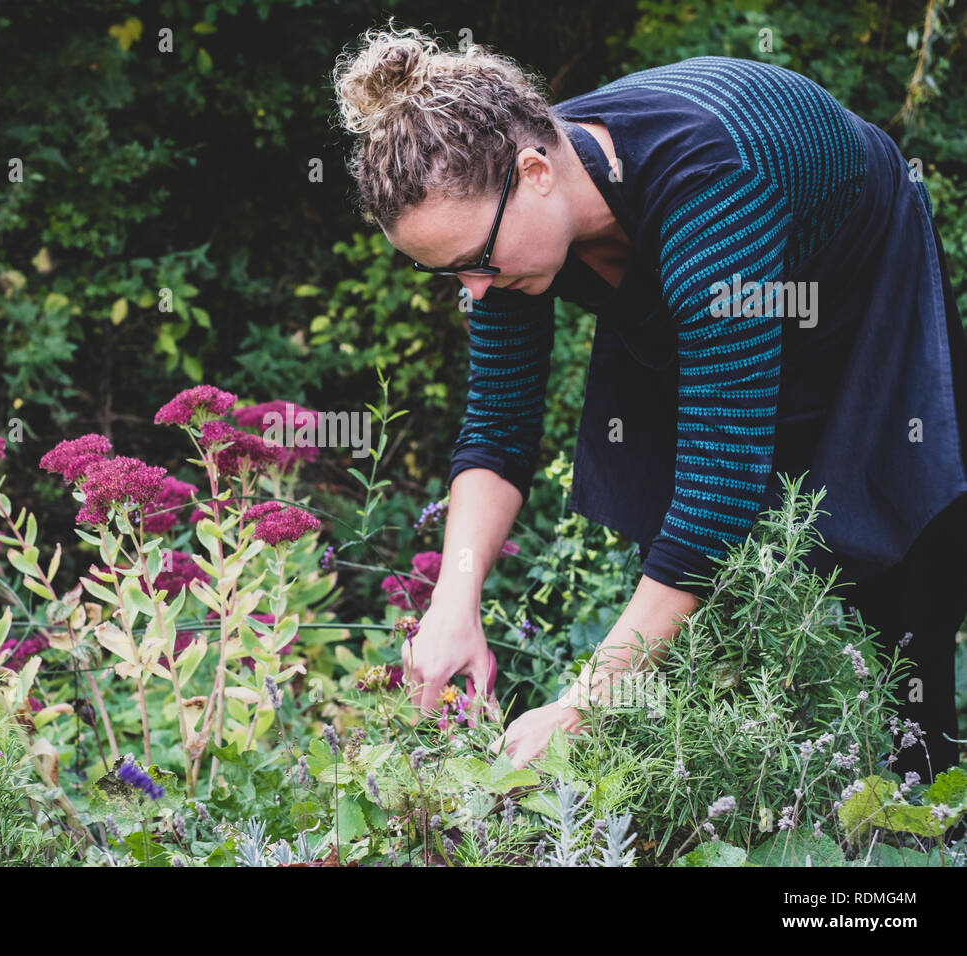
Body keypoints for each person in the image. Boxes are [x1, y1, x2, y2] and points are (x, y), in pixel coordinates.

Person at [331, 24, 967, 777]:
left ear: (535, 172)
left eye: (475, 263)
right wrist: (452, 603)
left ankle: (923, 812)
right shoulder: (504, 212)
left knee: (904, 596)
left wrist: (580, 703)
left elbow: (720, 489)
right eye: (444, 273)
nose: (472, 290)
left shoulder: (711, 192)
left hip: (857, 302)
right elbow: (497, 429)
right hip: (705, 298)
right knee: (691, 625)